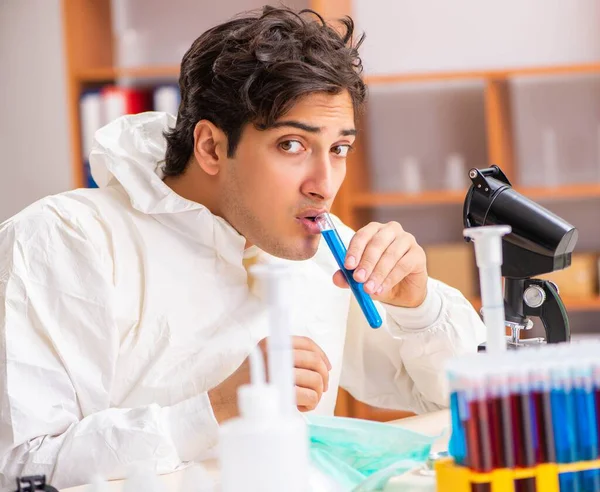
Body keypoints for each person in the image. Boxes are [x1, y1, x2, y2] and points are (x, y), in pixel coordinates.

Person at [0, 6, 485, 489]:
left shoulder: (320, 247)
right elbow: (21, 468)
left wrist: (419, 309)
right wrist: (219, 407)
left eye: (339, 149)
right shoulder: (62, 241)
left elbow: (469, 401)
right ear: (211, 147)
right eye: (292, 145)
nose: (325, 185)